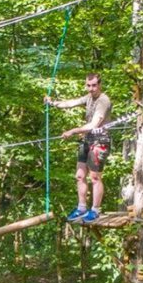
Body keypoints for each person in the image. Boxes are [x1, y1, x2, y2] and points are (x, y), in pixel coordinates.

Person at [45, 72, 113, 222]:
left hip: (100, 141)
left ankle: (95, 210)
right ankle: (81, 208)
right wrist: (52, 103)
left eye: (94, 85)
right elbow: (71, 103)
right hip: (86, 140)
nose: (91, 89)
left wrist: (73, 131)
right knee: (80, 176)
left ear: (99, 85)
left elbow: (94, 124)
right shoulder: (88, 98)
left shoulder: (104, 101)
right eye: (88, 85)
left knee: (95, 177)